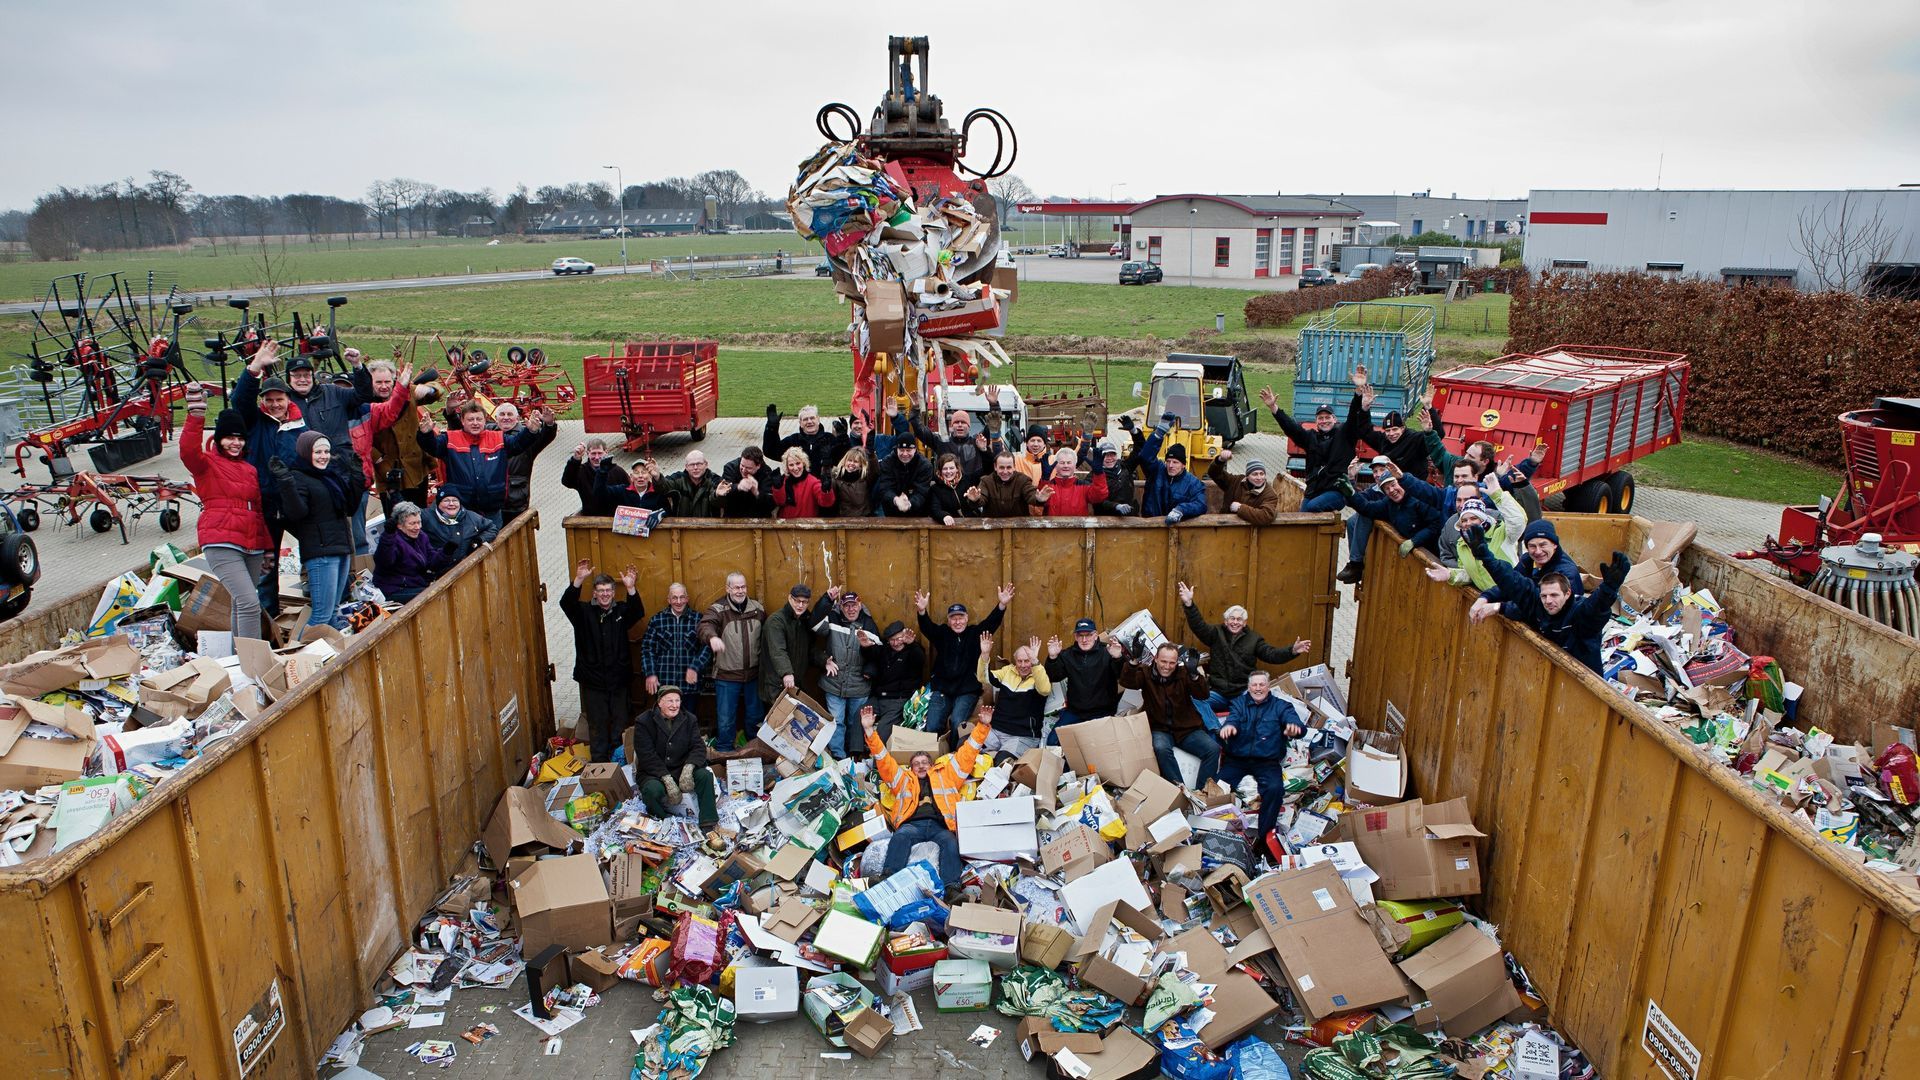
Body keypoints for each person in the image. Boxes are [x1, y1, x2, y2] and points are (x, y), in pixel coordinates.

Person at [1259, 367, 1373, 580]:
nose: (1324, 420)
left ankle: (1321, 561)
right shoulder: (1311, 438)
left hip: (1336, 491)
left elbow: (1353, 417)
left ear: (1334, 418)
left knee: (1310, 510)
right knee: (1302, 521)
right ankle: (1299, 561)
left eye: (1327, 417)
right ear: (1316, 421)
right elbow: (1292, 429)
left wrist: (1357, 392)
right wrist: (1274, 408)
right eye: (1320, 418)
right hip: (1314, 490)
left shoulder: (1344, 434)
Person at [179, 386, 273, 639]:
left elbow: (258, 511)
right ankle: (253, 658)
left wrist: (267, 548)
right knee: (249, 603)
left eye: (240, 438)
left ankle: (240, 655)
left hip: (252, 544)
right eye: (230, 438)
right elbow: (188, 450)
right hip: (221, 540)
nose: (236, 443)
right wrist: (196, 416)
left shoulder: (250, 470)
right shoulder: (206, 464)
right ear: (219, 439)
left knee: (240, 603)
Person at [864, 703, 989, 888]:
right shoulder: (903, 779)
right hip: (912, 825)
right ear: (911, 768)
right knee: (900, 836)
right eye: (916, 763)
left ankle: (952, 889)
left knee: (951, 843)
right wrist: (869, 731)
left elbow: (968, 753)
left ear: (932, 765)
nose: (921, 765)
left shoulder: (947, 774)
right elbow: (883, 759)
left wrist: (983, 726)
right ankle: (887, 879)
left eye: (925, 762)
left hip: (941, 826)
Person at [1468, 533, 1628, 675]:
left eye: (1554, 595)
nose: (1548, 601)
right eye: (1544, 596)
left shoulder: (1578, 613)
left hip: (1580, 685)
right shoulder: (1537, 603)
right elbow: (1512, 581)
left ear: (1568, 594)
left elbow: (1595, 609)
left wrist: (1608, 588)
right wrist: (1486, 557)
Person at [230, 339, 307, 615]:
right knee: (267, 566)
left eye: (279, 400)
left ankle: (313, 603)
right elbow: (239, 401)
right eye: (269, 400)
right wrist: (254, 369)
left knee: (315, 547)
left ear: (288, 400)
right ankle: (269, 618)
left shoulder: (301, 427)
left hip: (294, 503)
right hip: (264, 505)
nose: (274, 405)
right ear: (262, 401)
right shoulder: (255, 422)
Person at [1177, 580, 1310, 717]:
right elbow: (1198, 626)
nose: (1235, 622)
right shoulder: (1216, 633)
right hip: (1218, 693)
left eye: (1239, 619)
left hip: (1243, 693)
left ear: (1244, 623)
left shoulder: (1254, 639)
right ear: (1226, 621)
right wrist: (1189, 604)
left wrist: (1292, 651)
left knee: (1262, 707)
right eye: (1232, 619)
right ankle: (1215, 727)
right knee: (1194, 702)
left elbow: (1272, 655)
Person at [273, 432, 364, 630]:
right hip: (321, 553)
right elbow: (296, 513)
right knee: (321, 616)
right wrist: (286, 482)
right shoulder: (298, 477)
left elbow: (350, 507)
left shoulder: (331, 476)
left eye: (326, 452)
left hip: (341, 547)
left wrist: (357, 475)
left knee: (332, 613)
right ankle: (301, 649)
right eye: (318, 452)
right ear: (306, 452)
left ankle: (327, 648)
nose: (323, 456)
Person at [559, 560, 644, 760]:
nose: (605, 594)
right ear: (594, 593)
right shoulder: (583, 612)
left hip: (619, 680)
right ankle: (599, 764)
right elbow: (566, 604)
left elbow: (638, 612)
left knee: (619, 723)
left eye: (608, 590)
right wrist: (578, 580)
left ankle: (619, 761)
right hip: (593, 681)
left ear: (614, 593)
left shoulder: (621, 611)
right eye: (600, 591)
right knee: (597, 724)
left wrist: (630, 588)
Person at [417, 401, 541, 528]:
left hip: (492, 511)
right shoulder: (449, 439)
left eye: (479, 419)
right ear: (462, 421)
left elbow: (518, 444)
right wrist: (425, 434)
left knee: (495, 539)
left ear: (485, 420)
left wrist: (530, 431)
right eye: (470, 419)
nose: (475, 423)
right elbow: (432, 447)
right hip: (462, 511)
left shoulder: (499, 439)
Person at [1215, 671, 1305, 846]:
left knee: (1274, 790)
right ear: (1249, 687)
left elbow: (1296, 724)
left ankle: (1264, 840)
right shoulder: (1239, 703)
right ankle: (1214, 831)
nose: (1258, 688)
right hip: (1237, 760)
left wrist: (1295, 728)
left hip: (1267, 762)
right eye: (1254, 685)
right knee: (1217, 787)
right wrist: (1229, 727)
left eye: (1262, 684)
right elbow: (1233, 719)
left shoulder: (1281, 706)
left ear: (1268, 686)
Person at [914, 584, 1012, 736]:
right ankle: (936, 751)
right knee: (932, 725)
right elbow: (927, 627)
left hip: (967, 690)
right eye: (953, 619)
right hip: (942, 689)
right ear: (949, 621)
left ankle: (955, 750)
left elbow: (991, 623)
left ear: (967, 619)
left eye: (961, 618)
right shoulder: (942, 633)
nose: (957, 622)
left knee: (957, 722)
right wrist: (922, 611)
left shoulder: (975, 633)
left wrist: (1002, 605)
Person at [341, 359, 415, 556]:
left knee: (358, 535)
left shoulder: (365, 411)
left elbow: (390, 411)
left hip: (359, 484)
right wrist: (379, 459)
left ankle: (361, 569)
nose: (343, 394)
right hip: (333, 485)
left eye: (347, 389)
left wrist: (402, 386)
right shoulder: (324, 415)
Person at [1121, 642, 1217, 789]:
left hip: (1187, 729)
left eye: (1172, 663)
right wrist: (1133, 661)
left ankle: (1201, 792)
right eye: (1163, 661)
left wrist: (1194, 675)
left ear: (1177, 662)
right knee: (1161, 748)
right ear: (1156, 659)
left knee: (1213, 749)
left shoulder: (1183, 673)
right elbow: (1127, 682)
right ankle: (1180, 790)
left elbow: (1203, 695)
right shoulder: (1146, 673)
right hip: (1159, 728)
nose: (1167, 666)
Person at [631, 686, 719, 831]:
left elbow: (698, 747)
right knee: (652, 790)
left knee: (705, 776)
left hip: (681, 768)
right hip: (655, 772)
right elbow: (646, 755)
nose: (675, 705)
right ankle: (663, 820)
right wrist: (666, 779)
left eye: (677, 701)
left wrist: (689, 768)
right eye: (670, 701)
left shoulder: (689, 719)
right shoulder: (644, 721)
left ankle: (708, 822)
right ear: (659, 702)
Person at [356, 356, 433, 516]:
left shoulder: (408, 392)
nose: (384, 386)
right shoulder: (364, 404)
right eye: (378, 382)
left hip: (415, 467)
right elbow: (360, 436)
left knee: (419, 515)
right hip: (389, 470)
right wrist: (378, 459)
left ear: (394, 381)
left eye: (387, 382)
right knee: (395, 518)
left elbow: (437, 391)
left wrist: (429, 389)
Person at [698, 573, 766, 751]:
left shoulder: (757, 609)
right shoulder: (718, 609)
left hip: (753, 675)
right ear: (728, 588)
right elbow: (705, 626)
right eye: (736, 587)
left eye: (743, 587)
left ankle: (755, 750)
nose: (740, 591)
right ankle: (724, 753)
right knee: (726, 719)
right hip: (726, 676)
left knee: (755, 716)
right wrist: (712, 637)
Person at [1345, 458, 1445, 578]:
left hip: (1434, 554)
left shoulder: (1418, 500)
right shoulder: (1388, 503)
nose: (1392, 490)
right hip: (1414, 559)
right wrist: (1350, 490)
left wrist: (1415, 540)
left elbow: (1436, 524)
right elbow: (1367, 508)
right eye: (1387, 488)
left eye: (1393, 485)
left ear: (1400, 483)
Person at [812, 586, 880, 759]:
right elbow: (814, 624)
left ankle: (853, 755)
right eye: (846, 606)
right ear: (841, 607)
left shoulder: (868, 624)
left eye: (854, 605)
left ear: (860, 605)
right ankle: (838, 756)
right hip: (834, 682)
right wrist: (827, 599)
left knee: (854, 722)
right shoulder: (833, 618)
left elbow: (879, 656)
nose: (851, 609)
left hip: (859, 685)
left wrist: (868, 650)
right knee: (836, 721)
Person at [1430, 485, 1528, 590]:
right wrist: (1450, 575)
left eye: (1473, 518)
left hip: (1515, 593)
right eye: (1464, 520)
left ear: (1483, 520)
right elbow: (1469, 574)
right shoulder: (1461, 544)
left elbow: (1518, 521)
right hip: (1489, 597)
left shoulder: (1501, 533)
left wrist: (1498, 495)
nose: (1468, 523)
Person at [1045, 619, 1124, 746]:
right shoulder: (1068, 654)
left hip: (1102, 712)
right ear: (1075, 637)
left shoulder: (1107, 651)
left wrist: (1118, 658)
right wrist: (1053, 658)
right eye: (1080, 635)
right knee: (1052, 742)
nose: (1084, 639)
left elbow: (1122, 677)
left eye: (1088, 635)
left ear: (1095, 635)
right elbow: (1054, 676)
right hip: (1075, 712)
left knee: (1099, 746)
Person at [1480, 518, 1586, 606]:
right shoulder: (1528, 560)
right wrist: (1486, 597)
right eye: (1532, 546)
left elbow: (1544, 607)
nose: (1538, 551)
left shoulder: (1566, 573)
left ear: (1554, 545)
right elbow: (1511, 583)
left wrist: (1499, 607)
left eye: (1543, 545)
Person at [977, 632, 1050, 756]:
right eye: (1019, 661)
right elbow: (984, 678)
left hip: (1022, 736)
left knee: (1002, 760)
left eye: (1027, 661)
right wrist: (985, 654)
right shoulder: (1008, 671)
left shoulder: (1039, 675)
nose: (1023, 665)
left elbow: (1045, 690)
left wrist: (1035, 662)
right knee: (967, 745)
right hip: (996, 730)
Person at [641, 582, 711, 699]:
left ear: (687, 599)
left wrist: (696, 666)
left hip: (690, 686)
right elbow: (647, 649)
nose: (678, 602)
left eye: (682, 597)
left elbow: (707, 647)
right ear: (668, 600)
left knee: (689, 712)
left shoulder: (698, 619)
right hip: (664, 685)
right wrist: (650, 673)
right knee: (664, 712)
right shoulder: (657, 620)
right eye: (674, 598)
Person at [758, 583, 816, 718]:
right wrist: (786, 672)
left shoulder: (803, 621)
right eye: (797, 601)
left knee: (792, 723)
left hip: (794, 684)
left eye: (804, 602)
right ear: (790, 598)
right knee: (778, 722)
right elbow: (778, 651)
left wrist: (824, 660)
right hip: (776, 684)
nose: (800, 605)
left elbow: (809, 650)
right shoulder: (776, 621)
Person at [1137, 414, 1209, 523]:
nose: (1171, 465)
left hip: (1178, 528)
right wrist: (1158, 433)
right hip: (1151, 525)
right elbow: (1145, 457)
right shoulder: (1156, 471)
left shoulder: (1193, 483)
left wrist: (1181, 509)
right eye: (1168, 461)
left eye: (1175, 462)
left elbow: (1201, 504)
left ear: (1183, 465)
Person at [495, 402, 557, 525]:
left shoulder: (528, 436)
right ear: (496, 418)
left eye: (510, 414)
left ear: (517, 418)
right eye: (502, 414)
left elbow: (545, 438)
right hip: (492, 503)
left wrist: (549, 425)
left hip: (515, 502)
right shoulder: (488, 434)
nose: (506, 417)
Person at [910, 403, 998, 488]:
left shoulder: (978, 442)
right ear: (952, 426)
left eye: (963, 422)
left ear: (969, 426)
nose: (960, 425)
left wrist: (994, 405)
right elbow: (920, 431)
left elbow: (993, 425)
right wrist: (915, 410)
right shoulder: (942, 442)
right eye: (956, 422)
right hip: (946, 492)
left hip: (972, 492)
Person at [865, 620, 926, 739]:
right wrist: (865, 646)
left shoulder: (913, 650)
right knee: (859, 715)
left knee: (882, 729)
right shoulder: (885, 649)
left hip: (899, 699)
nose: (896, 643)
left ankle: (877, 751)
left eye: (899, 638)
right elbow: (871, 654)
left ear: (905, 636)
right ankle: (855, 749)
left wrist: (912, 644)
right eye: (892, 640)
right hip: (879, 697)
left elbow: (920, 660)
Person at [373, 501, 439, 603]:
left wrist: (446, 553)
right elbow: (385, 562)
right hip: (394, 589)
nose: (417, 527)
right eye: (412, 524)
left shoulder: (421, 536)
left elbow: (432, 560)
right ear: (399, 525)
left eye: (419, 522)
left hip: (416, 584)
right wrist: (388, 536)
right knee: (431, 595)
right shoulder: (392, 540)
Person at [763, 404, 844, 483]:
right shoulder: (793, 440)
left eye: (812, 418)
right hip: (799, 486)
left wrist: (843, 437)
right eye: (805, 419)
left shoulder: (829, 439)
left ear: (818, 420)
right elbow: (771, 452)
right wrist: (771, 428)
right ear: (800, 423)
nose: (809, 421)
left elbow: (844, 458)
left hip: (824, 486)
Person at [421, 489, 499, 567]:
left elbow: (492, 528)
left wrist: (479, 540)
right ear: (438, 503)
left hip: (465, 568)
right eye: (446, 501)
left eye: (455, 500)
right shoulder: (426, 516)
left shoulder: (471, 517)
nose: (451, 504)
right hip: (437, 569)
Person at [1207, 449, 1279, 525]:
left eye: (1262, 474)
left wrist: (1240, 508)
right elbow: (1214, 474)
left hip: (1249, 530)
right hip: (1225, 525)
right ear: (1247, 476)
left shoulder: (1270, 494)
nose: (1259, 477)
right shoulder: (1235, 481)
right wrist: (1220, 460)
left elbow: (1266, 516)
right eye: (1255, 474)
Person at [873, 437, 934, 517]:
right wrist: (896, 500)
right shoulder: (887, 462)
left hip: (918, 512)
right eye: (901, 450)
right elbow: (885, 488)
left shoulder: (925, 465)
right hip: (892, 511)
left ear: (915, 449)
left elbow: (922, 491)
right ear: (897, 449)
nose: (905, 454)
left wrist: (909, 503)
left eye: (908, 450)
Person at [970, 451, 1043, 517]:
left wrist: (1038, 499)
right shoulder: (986, 481)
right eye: (1001, 468)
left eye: (1009, 467)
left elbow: (1030, 494)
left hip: (1018, 525)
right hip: (993, 525)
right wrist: (976, 499)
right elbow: (981, 498)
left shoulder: (1023, 480)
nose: (1005, 472)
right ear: (995, 467)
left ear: (1014, 467)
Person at [1040, 447, 1108, 517]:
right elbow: (1039, 500)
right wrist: (1045, 478)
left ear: (1075, 466)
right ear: (1055, 466)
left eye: (1069, 463)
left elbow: (1098, 497)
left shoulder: (1085, 486)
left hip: (1078, 524)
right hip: (1053, 524)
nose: (1065, 466)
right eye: (1062, 463)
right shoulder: (1049, 486)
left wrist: (1099, 474)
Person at [770, 447, 836, 519]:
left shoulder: (813, 481)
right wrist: (777, 488)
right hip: (786, 523)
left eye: (798, 463)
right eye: (791, 465)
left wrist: (826, 490)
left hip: (806, 524)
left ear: (804, 463)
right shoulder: (783, 480)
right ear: (787, 467)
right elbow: (780, 502)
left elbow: (826, 503)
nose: (795, 468)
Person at [563, 439, 625, 515]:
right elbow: (567, 482)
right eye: (593, 453)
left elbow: (630, 490)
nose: (597, 457)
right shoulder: (581, 471)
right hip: (589, 518)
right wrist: (575, 459)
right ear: (587, 453)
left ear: (606, 452)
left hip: (613, 518)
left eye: (600, 453)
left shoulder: (617, 471)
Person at [655, 451, 721, 517]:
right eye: (691, 465)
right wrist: (657, 477)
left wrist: (717, 495)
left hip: (709, 523)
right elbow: (664, 487)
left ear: (706, 465)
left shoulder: (714, 480)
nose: (695, 467)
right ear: (686, 467)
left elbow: (721, 501)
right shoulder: (679, 478)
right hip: (680, 522)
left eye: (699, 464)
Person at [717, 446, 775, 518]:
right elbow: (724, 490)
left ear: (758, 466)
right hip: (733, 516)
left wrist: (756, 492)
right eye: (742, 465)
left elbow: (770, 503)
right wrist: (738, 487)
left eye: (748, 468)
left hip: (758, 517)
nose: (744, 470)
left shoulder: (767, 473)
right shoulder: (730, 467)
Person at [927, 453, 981, 526]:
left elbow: (987, 468)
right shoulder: (935, 489)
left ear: (957, 469)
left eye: (951, 468)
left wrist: (983, 450)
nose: (948, 471)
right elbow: (935, 509)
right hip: (951, 527)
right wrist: (944, 516)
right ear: (940, 470)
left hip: (971, 524)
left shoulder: (968, 480)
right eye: (945, 469)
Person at [1087, 440, 1137, 517]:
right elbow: (1095, 499)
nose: (1110, 458)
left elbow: (1138, 451)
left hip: (1130, 517)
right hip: (1105, 519)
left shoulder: (1125, 467)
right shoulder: (1093, 476)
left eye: (1112, 455)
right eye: (1106, 455)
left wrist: (1135, 434)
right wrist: (1115, 506)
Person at [829, 447, 874, 518]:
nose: (852, 463)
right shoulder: (836, 477)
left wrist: (871, 455)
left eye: (855, 462)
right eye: (849, 460)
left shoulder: (865, 478)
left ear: (861, 465)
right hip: (842, 518)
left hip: (863, 518)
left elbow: (875, 470)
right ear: (844, 461)